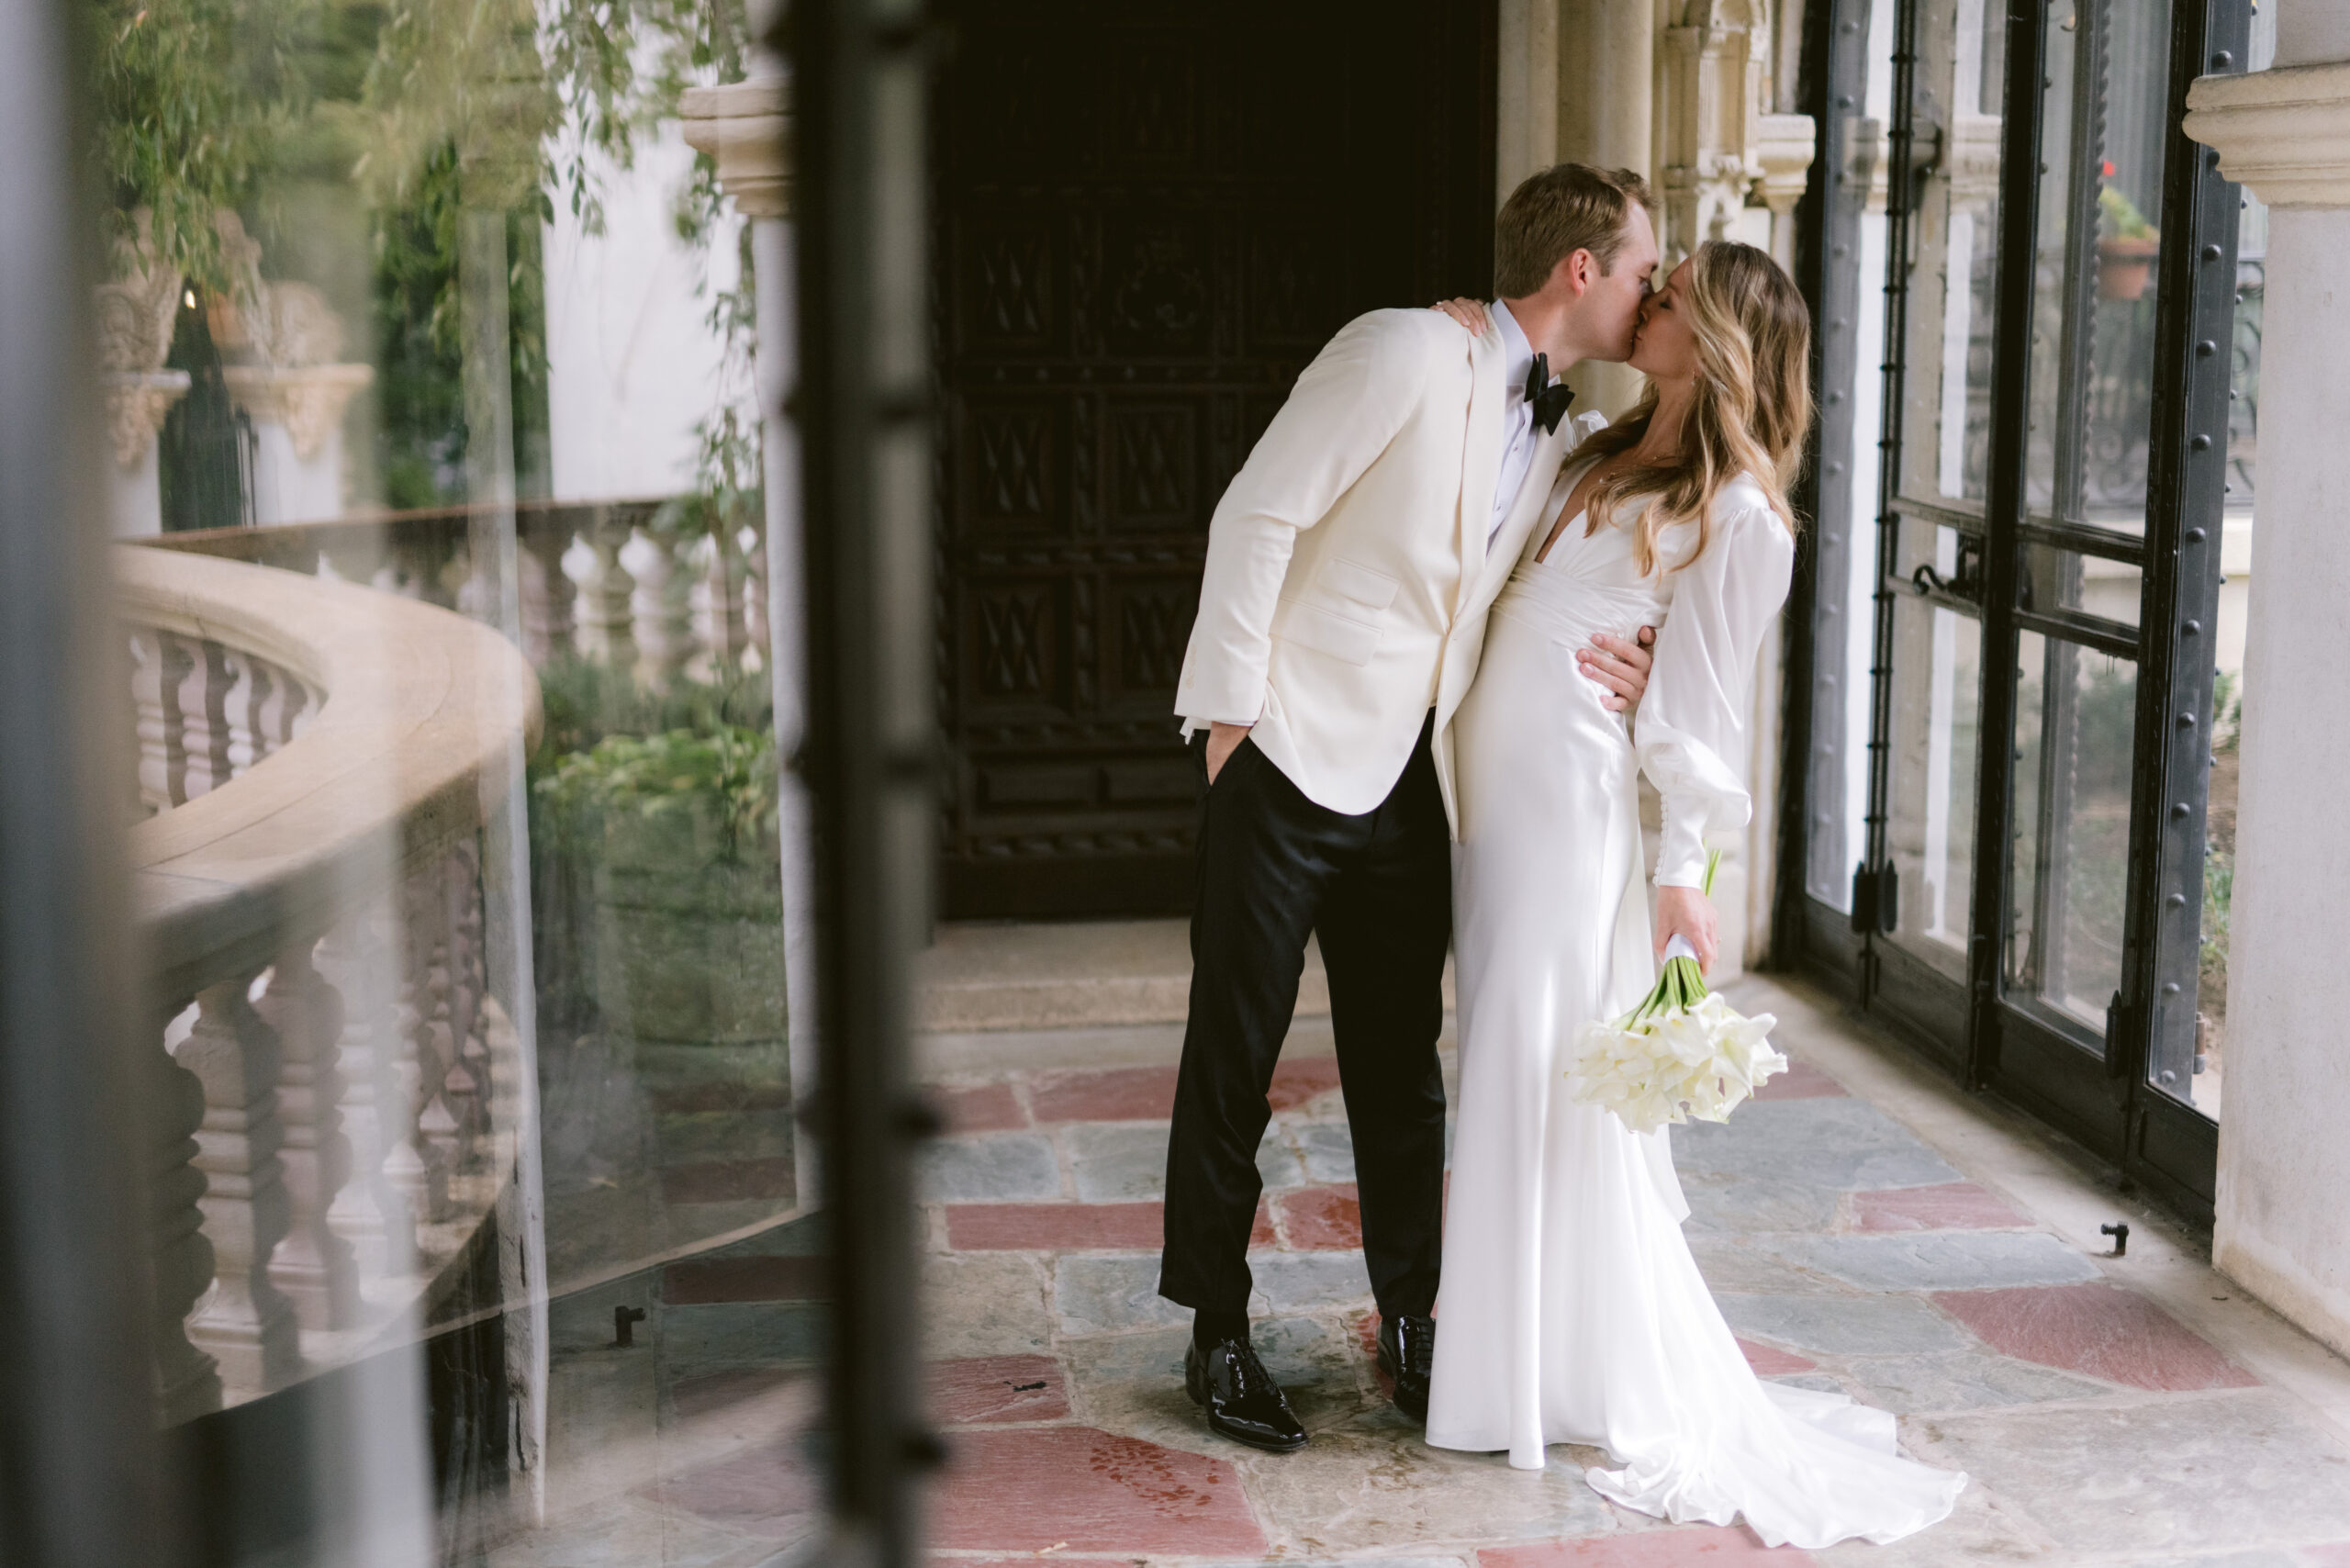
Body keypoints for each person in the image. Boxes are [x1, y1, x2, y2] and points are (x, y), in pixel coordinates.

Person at [1425, 242, 1967, 1548]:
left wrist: (1684, 882)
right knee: (1496, 1048)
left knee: (1537, 1058)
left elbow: (1710, 721)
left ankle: (1536, 1380)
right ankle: (1520, 1356)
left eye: (1675, 300)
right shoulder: (1598, 443)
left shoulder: (1744, 517)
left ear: (1718, 339)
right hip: (1491, 791)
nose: (1649, 305)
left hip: (1569, 803)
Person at [1160, 164, 1662, 1452]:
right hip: (1284, 757)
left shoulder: (1558, 438)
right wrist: (1229, 724)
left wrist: (1650, 664)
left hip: (1407, 787)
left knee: (1403, 1075)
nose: (1653, 296)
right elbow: (1258, 510)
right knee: (1236, 1060)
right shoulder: (1395, 349)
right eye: (1645, 271)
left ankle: (1414, 1323)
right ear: (1584, 271)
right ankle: (1216, 1329)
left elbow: (1561, 585)